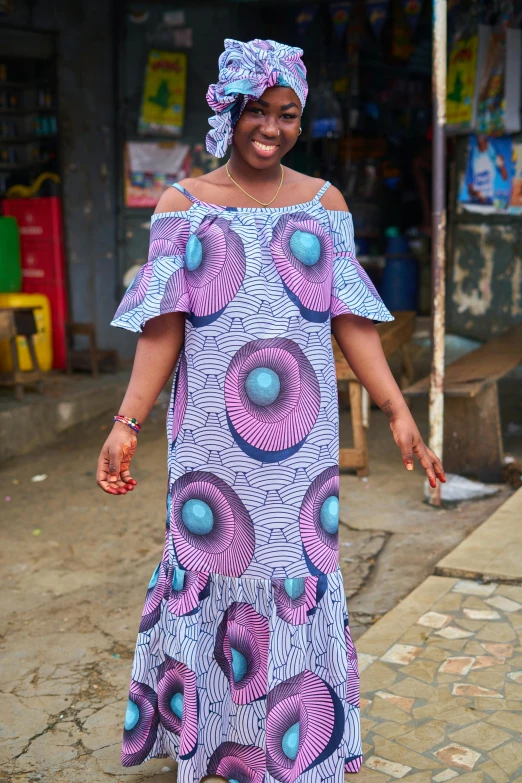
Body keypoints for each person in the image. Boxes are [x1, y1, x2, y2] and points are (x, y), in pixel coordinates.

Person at [97, 38, 445, 783]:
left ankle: (295, 744)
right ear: (228, 110)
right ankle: (220, 744)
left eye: (288, 114)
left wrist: (395, 408)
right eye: (259, 111)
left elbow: (349, 319)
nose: (273, 128)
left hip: (300, 451)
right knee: (212, 573)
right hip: (209, 450)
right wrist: (125, 423)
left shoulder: (325, 205)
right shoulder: (182, 207)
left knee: (295, 574)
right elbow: (164, 329)